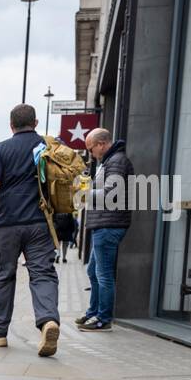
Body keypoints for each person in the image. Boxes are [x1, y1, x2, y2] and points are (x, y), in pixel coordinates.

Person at [0, 104, 61, 357]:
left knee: (3, 275)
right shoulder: (47, 146)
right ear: (35, 123)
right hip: (40, 221)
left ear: (11, 125)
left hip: (9, 222)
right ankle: (48, 321)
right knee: (42, 273)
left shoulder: (1, 149)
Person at [77, 128, 133, 332]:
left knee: (104, 274)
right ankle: (93, 313)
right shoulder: (109, 162)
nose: (91, 154)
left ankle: (103, 319)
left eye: (91, 149)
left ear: (101, 144)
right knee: (93, 271)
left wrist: (85, 192)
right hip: (104, 223)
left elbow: (112, 193)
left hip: (109, 224)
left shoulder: (116, 161)